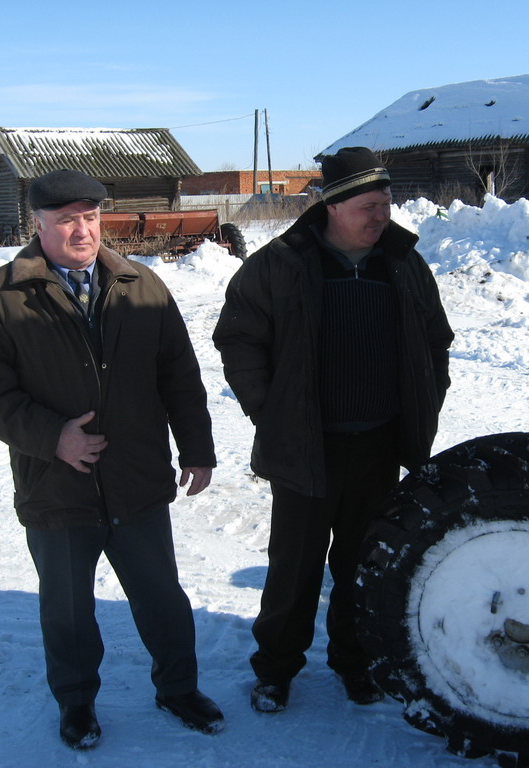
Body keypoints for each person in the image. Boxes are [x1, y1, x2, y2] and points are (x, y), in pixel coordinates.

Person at [0, 169, 224, 750]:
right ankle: (76, 703)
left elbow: (179, 376)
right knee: (69, 611)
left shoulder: (142, 285)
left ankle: (178, 688)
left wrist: (198, 448)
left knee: (161, 598)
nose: (83, 230)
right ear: (39, 224)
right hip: (57, 484)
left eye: (91, 217)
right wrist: (55, 437)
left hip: (138, 478)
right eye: (67, 220)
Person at [213, 146, 454, 713]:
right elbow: (239, 338)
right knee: (294, 570)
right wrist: (271, 411)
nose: (382, 216)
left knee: (362, 566)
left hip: (378, 443)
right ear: (334, 207)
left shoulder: (402, 261)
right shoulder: (282, 263)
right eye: (369, 205)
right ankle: (275, 669)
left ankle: (357, 661)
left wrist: (424, 399)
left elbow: (435, 339)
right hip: (306, 446)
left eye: (386, 203)